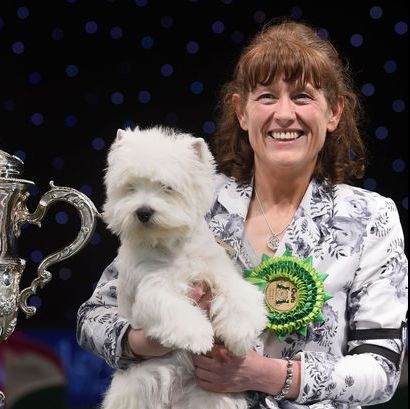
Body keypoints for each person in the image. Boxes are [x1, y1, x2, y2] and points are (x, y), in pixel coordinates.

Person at [77, 19, 408, 408]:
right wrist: (148, 341)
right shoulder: (190, 199)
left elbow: (381, 369)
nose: (284, 114)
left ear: (333, 112)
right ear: (242, 112)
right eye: (267, 96)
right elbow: (92, 320)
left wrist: (266, 375)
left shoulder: (370, 217)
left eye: (302, 97)